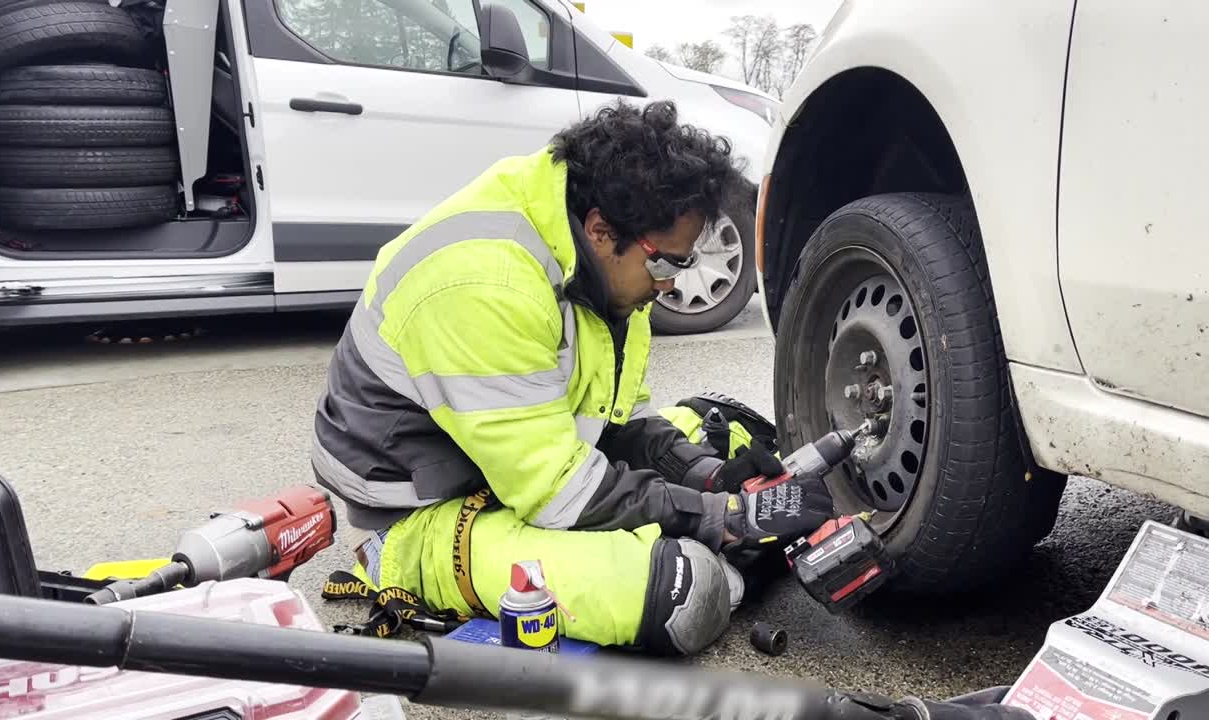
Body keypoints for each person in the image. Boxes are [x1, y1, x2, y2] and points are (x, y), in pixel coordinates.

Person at [310, 100, 838, 655]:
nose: (671, 286)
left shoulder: (601, 267)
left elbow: (614, 419)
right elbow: (560, 493)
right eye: (667, 264)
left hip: (519, 451)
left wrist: (704, 477)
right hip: (422, 498)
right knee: (683, 590)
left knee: (726, 430)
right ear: (602, 231)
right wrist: (722, 517)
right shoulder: (491, 285)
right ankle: (403, 559)